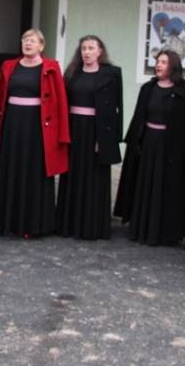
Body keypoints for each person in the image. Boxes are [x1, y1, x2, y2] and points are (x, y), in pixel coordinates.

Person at [114, 50, 185, 246]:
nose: (158, 65)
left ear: (173, 66)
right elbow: (139, 117)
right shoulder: (148, 88)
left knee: (164, 185)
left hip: (170, 147)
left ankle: (162, 231)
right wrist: (135, 142)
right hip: (148, 142)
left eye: (164, 62)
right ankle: (140, 225)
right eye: (158, 61)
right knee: (144, 182)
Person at [0, 29, 69, 237]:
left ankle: (34, 225)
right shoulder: (9, 66)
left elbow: (60, 102)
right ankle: (7, 222)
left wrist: (62, 135)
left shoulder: (51, 67)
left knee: (35, 172)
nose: (27, 43)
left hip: (38, 128)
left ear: (41, 46)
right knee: (11, 169)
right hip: (12, 126)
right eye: (25, 40)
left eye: (32, 40)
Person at [55, 35, 122, 240]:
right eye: (84, 48)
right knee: (72, 175)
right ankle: (69, 224)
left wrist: (106, 139)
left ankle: (92, 226)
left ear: (100, 51)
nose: (87, 52)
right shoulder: (72, 72)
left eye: (91, 48)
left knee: (94, 177)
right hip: (74, 129)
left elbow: (116, 109)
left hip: (97, 130)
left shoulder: (111, 74)